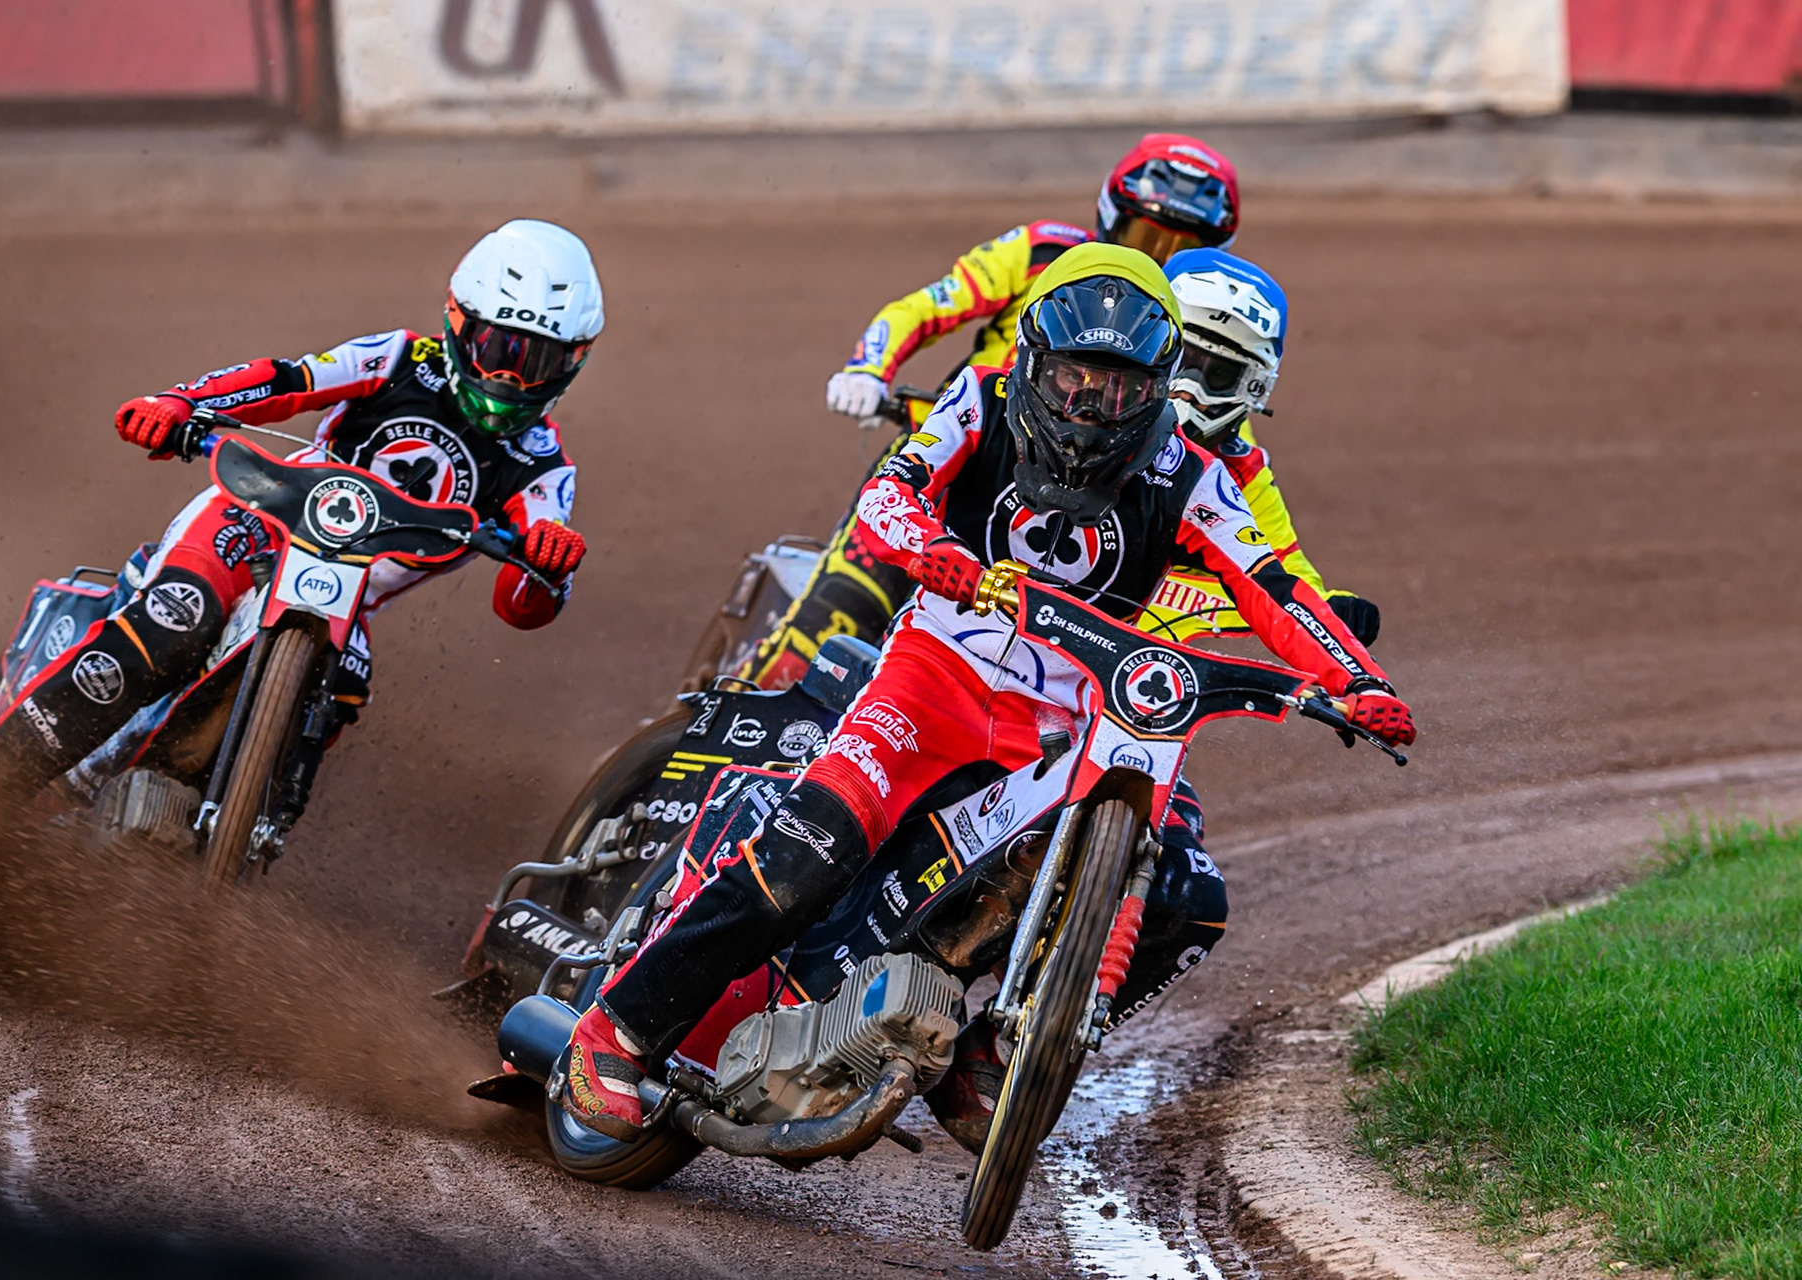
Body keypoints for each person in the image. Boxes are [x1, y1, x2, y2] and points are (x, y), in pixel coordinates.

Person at [560, 244, 1415, 1143]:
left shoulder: (1199, 478)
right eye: (1078, 381)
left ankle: (986, 1044)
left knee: (1167, 884)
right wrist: (932, 551)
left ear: (1156, 394)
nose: (1094, 408)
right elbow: (894, 494)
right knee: (819, 840)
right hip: (934, 676)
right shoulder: (979, 398)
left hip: (1075, 716)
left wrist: (1355, 679)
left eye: (1123, 390)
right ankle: (615, 1030)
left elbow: (1276, 586)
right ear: (1037, 364)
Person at [0, 219, 601, 798]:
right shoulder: (401, 358)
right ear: (458, 324)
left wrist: (551, 562)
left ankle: (241, 819)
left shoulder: (544, 467)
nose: (510, 380)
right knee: (177, 618)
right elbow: (289, 381)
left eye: (537, 362)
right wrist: (180, 404)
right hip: (256, 525)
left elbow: (526, 596)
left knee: (344, 686)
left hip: (343, 600)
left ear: (572, 363)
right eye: (500, 350)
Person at [737, 134, 1245, 691]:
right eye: (1146, 235)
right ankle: (713, 728)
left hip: (1083, 525)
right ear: (1109, 217)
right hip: (944, 477)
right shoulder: (1041, 254)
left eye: (1181, 247)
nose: (1154, 260)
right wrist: (868, 369)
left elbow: (1224, 468)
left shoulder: (1197, 332)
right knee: (816, 636)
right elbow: (926, 307)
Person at [1141, 248, 1380, 646]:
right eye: (1181, 360)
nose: (1190, 390)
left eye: (1219, 374)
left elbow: (1286, 576)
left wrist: (1331, 610)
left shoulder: (1241, 472)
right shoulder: (1073, 408)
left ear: (1254, 387)